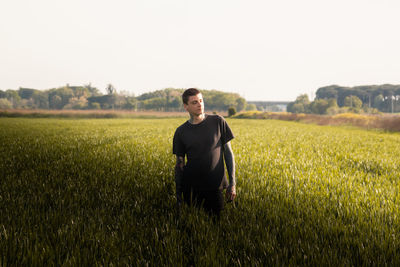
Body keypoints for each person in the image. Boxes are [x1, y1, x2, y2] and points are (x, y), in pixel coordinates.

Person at [173, 88, 236, 217]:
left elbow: (228, 153)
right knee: (193, 229)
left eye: (201, 101)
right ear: (186, 107)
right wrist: (179, 194)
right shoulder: (181, 132)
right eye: (194, 102)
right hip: (191, 189)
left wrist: (232, 183)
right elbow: (179, 164)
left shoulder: (218, 122)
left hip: (215, 187)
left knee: (216, 228)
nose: (199, 104)